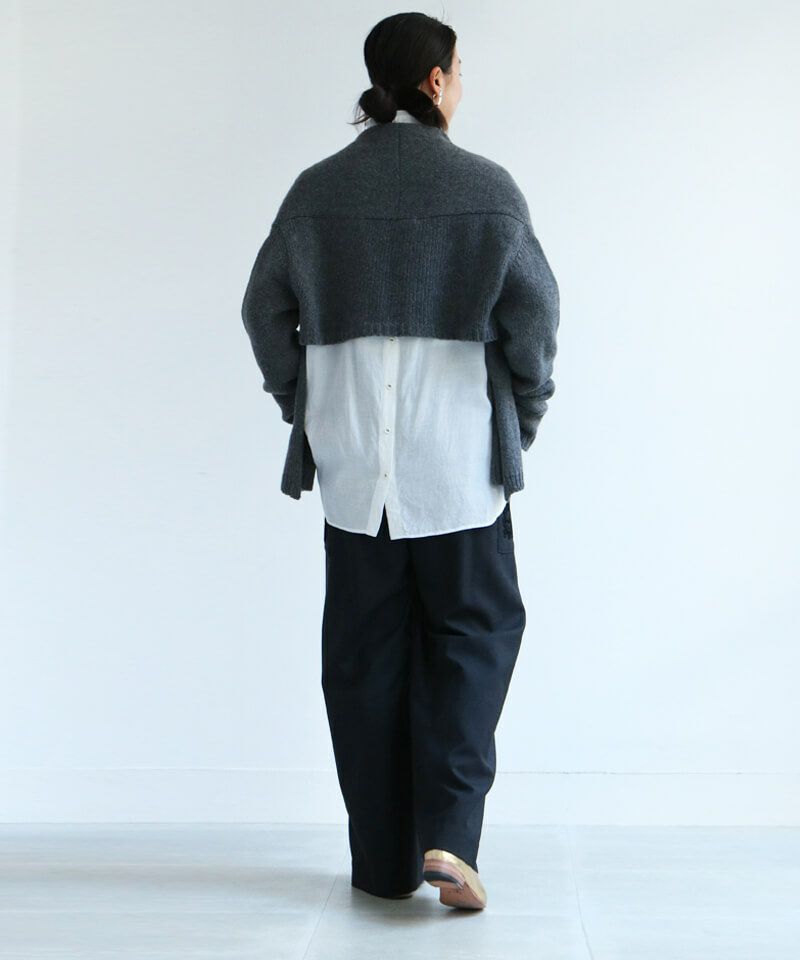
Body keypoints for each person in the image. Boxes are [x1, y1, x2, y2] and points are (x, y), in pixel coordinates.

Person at [240, 12, 560, 911]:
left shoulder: (316, 192)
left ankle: (382, 865)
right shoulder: (486, 190)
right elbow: (535, 320)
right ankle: (449, 841)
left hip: (351, 477)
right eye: (459, 71)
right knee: (473, 641)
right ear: (435, 81)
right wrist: (524, 414)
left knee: (363, 659)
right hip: (458, 465)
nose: (462, 85)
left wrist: (302, 403)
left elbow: (262, 312)